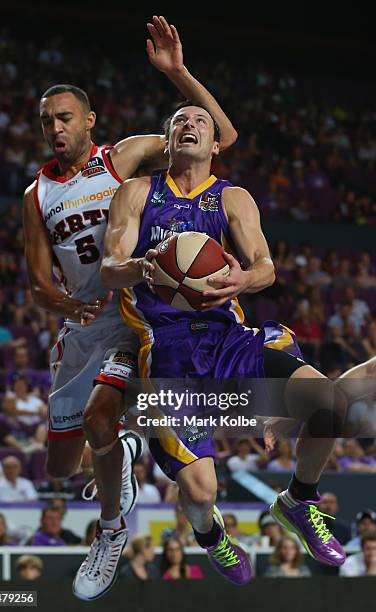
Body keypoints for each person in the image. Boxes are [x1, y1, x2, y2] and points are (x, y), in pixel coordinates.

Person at [101, 98, 376, 579]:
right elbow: (107, 269)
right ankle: (211, 536)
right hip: (167, 352)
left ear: (214, 143)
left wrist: (241, 281)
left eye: (200, 120)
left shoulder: (232, 197)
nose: (190, 124)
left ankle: (298, 500)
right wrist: (142, 267)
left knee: (327, 404)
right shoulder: (137, 192)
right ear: (167, 140)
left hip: (228, 339)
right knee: (202, 492)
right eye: (180, 121)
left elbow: (266, 268)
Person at [23, 15, 237, 602]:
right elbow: (38, 280)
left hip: (130, 314)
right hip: (80, 326)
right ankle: (124, 452)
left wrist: (177, 73)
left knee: (100, 419)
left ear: (88, 121)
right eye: (47, 122)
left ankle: (112, 529)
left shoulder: (124, 157)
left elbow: (221, 136)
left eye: (65, 118)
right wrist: (62, 300)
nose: (55, 128)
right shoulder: (35, 195)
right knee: (61, 469)